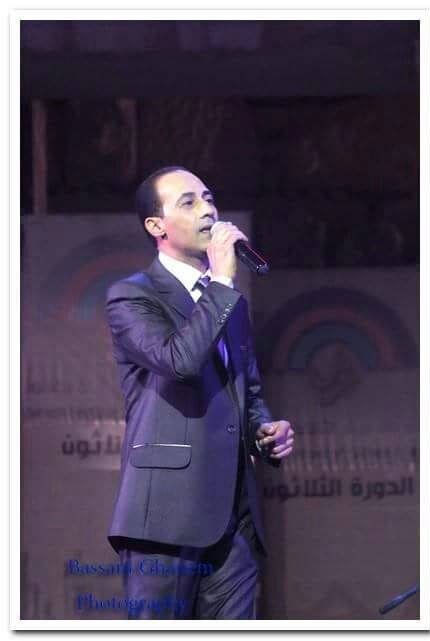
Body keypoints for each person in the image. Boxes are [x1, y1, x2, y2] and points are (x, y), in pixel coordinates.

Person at [104, 166, 294, 619]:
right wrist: (222, 282)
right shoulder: (132, 296)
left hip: (235, 519)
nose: (208, 210)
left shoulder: (232, 305)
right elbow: (179, 361)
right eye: (188, 202)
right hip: (164, 517)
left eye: (209, 198)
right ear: (157, 226)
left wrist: (265, 429)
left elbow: (246, 390)